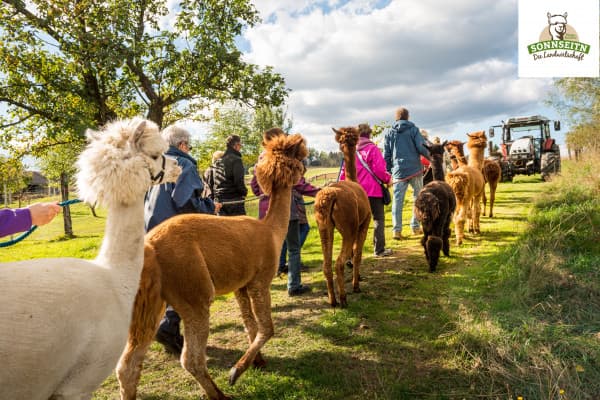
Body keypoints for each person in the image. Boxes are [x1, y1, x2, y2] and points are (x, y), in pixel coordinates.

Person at [144, 124, 217, 355]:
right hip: (176, 233)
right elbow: (186, 202)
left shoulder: (156, 166)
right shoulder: (183, 164)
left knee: (164, 282)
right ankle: (168, 326)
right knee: (185, 284)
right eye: (189, 145)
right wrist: (209, 206)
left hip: (152, 230)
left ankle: (168, 331)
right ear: (182, 145)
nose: (189, 150)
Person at [249, 128, 311, 296]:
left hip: (266, 213)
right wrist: (318, 191)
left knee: (268, 250)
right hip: (285, 211)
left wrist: (267, 192)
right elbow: (298, 184)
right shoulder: (284, 160)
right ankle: (294, 285)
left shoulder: (260, 161)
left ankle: (263, 284)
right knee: (293, 248)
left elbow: (255, 187)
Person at [340, 123, 392, 257]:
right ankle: (379, 249)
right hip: (373, 191)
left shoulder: (350, 149)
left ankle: (351, 252)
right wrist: (387, 179)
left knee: (354, 222)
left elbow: (343, 172)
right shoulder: (373, 149)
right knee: (378, 219)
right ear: (369, 134)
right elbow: (379, 170)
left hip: (355, 192)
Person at [383, 107, 431, 240]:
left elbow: (386, 154)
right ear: (408, 117)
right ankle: (415, 227)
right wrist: (431, 158)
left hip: (398, 171)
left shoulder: (389, 133)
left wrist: (388, 171)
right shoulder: (414, 130)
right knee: (418, 199)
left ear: (396, 118)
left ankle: (396, 231)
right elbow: (421, 147)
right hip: (415, 170)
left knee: (397, 202)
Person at [278, 165, 320, 273]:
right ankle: (292, 262)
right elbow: (301, 186)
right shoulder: (293, 171)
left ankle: (281, 265)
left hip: (286, 208)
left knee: (286, 238)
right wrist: (320, 192)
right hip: (294, 208)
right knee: (300, 233)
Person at [214, 134, 247, 216]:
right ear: (236, 145)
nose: (240, 148)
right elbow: (238, 181)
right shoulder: (236, 160)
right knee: (239, 227)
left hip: (220, 201)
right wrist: (244, 192)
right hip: (234, 201)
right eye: (240, 145)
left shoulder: (218, 161)